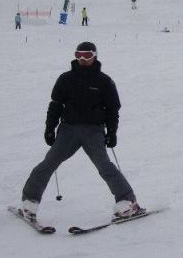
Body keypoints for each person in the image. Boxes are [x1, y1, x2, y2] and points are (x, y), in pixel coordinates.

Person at [19, 42, 141, 223]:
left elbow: (112, 109)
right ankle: (30, 200)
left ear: (94, 56)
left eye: (86, 55)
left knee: (104, 165)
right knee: (49, 162)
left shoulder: (104, 81)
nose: (82, 59)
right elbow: (55, 105)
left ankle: (127, 202)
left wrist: (112, 132)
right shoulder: (66, 79)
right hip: (69, 130)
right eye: (78, 55)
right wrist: (50, 128)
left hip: (93, 131)